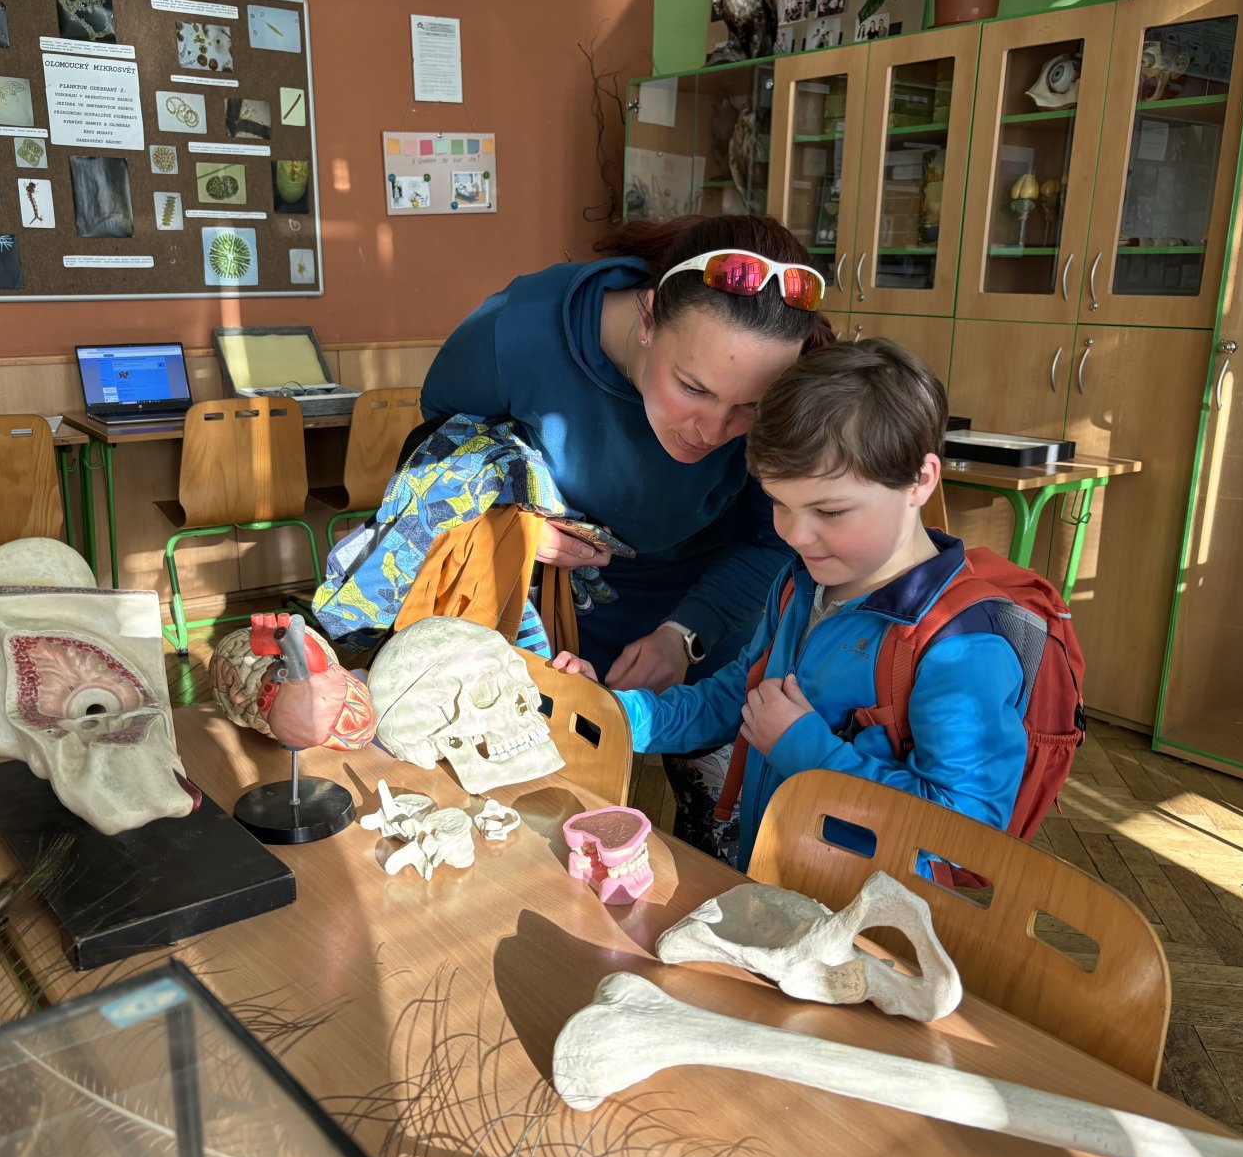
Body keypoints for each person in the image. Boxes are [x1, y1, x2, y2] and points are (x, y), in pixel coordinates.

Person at [553, 341, 1030, 870]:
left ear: (920, 481)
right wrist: (610, 711)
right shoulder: (801, 583)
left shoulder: (961, 647)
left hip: (869, 912)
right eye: (780, 503)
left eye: (830, 511)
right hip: (779, 879)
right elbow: (739, 697)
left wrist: (803, 748)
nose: (797, 535)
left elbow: (964, 835)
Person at [420, 215, 831, 695]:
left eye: (752, 406)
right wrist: (508, 524)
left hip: (712, 618)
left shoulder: (801, 385)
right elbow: (434, 457)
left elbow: (771, 539)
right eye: (693, 388)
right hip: (549, 618)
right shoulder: (515, 333)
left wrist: (686, 636)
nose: (714, 431)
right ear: (649, 319)